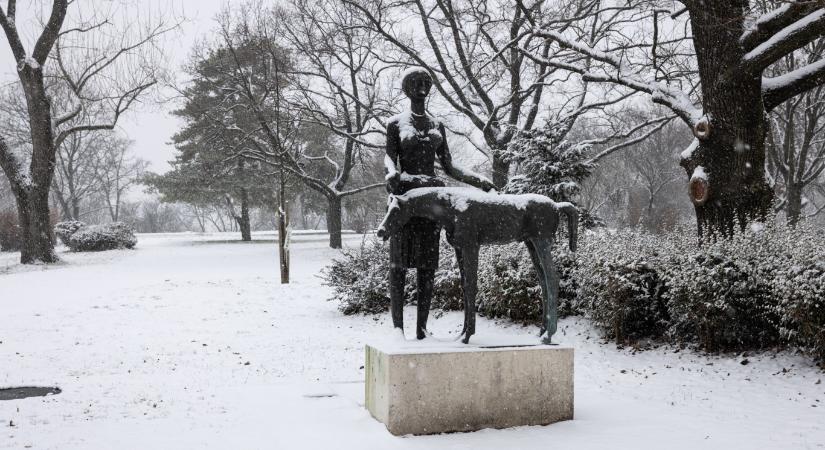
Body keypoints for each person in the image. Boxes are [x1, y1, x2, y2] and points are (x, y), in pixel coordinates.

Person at [384, 67, 495, 339]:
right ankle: (398, 328)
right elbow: (389, 158)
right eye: (416, 83)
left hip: (433, 201)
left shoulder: (436, 126)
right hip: (406, 197)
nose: (421, 87)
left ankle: (421, 328)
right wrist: (391, 173)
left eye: (426, 83)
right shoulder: (395, 124)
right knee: (398, 265)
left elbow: (449, 166)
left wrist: (479, 181)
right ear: (407, 88)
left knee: (426, 265)